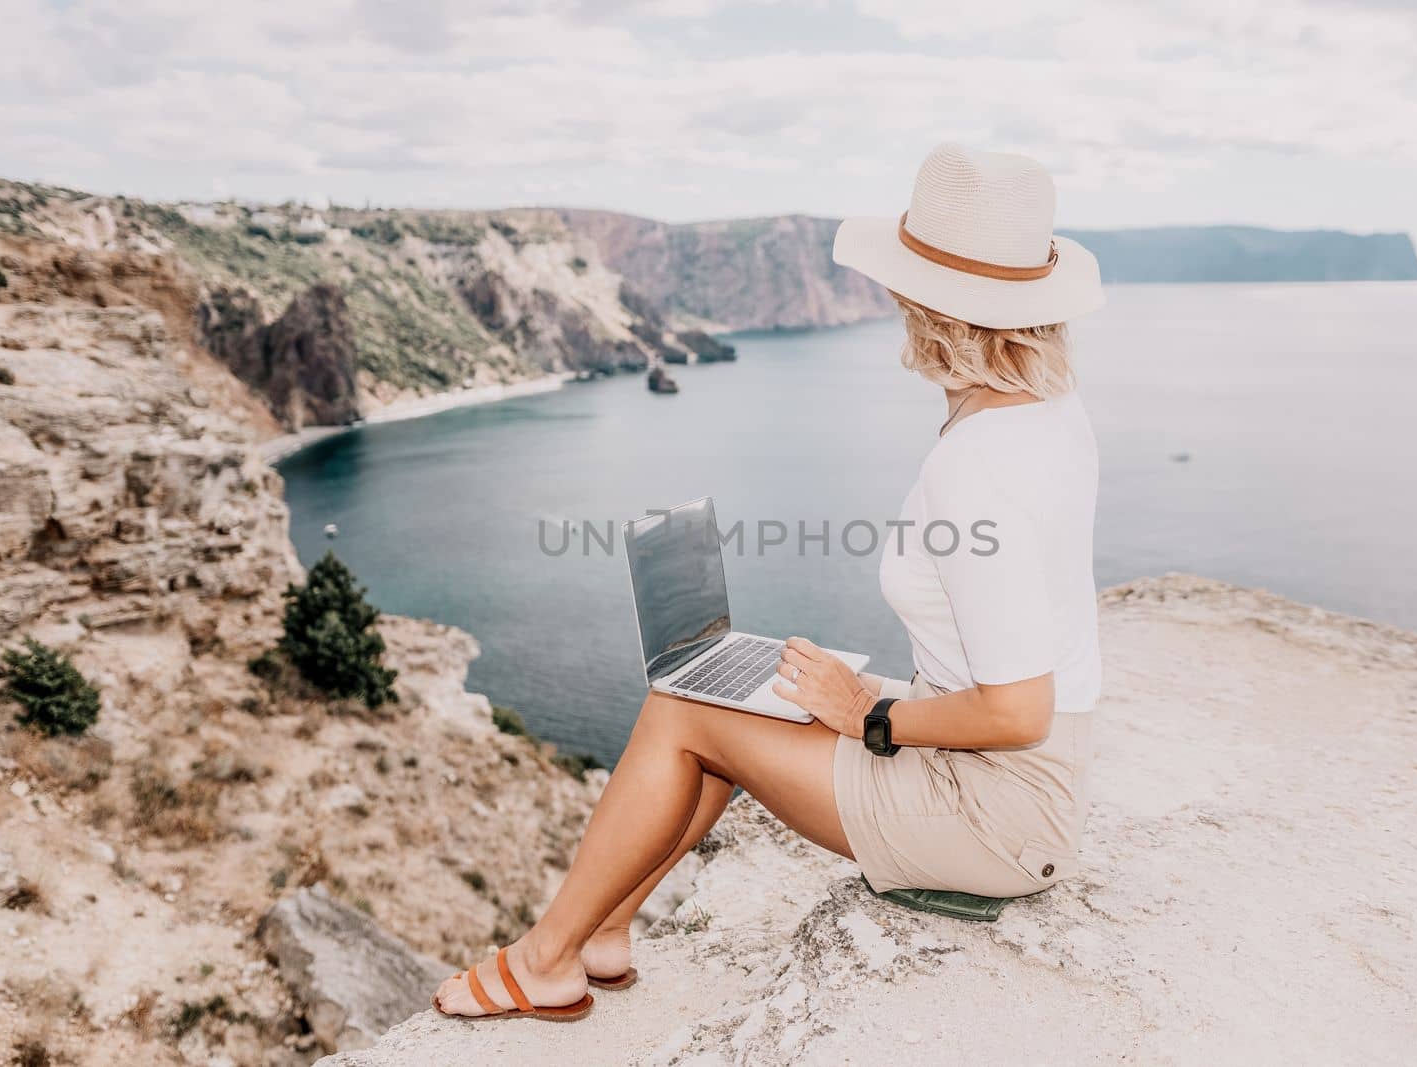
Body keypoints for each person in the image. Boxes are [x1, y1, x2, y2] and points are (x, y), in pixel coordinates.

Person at [433, 142, 1106, 1020]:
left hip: (993, 815)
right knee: (746, 695)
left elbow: (1019, 711)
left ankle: (544, 958)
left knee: (683, 709)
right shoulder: (1049, 412)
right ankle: (605, 930)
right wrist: (857, 697)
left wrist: (868, 717)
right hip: (1022, 780)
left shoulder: (979, 462)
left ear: (929, 306)